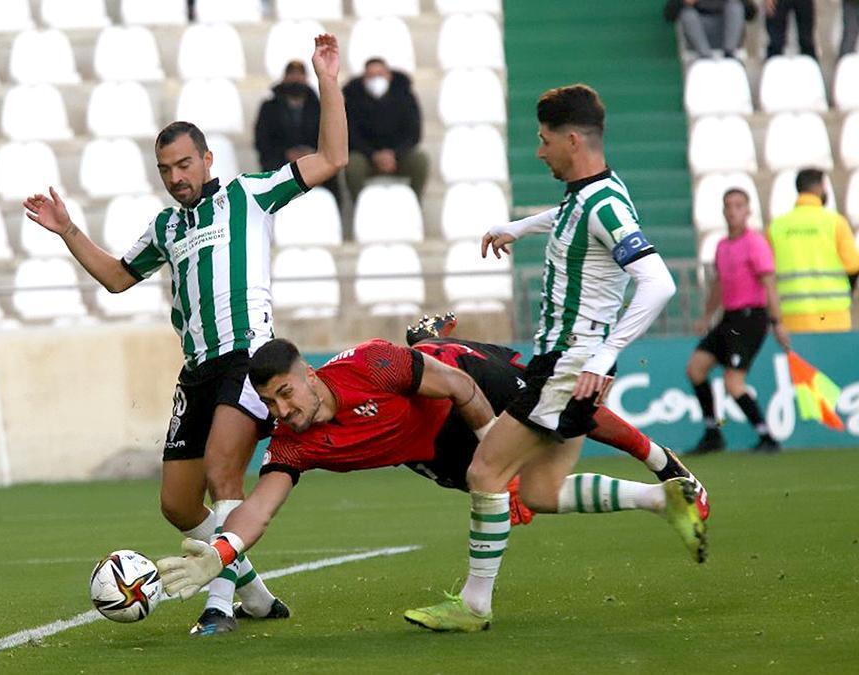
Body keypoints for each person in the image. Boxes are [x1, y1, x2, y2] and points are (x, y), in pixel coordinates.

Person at [22, 34, 348, 637]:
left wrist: (329, 80)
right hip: (196, 369)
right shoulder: (167, 226)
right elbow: (119, 278)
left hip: (247, 359)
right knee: (176, 505)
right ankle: (253, 594)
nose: (176, 177)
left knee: (226, 475)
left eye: (184, 165)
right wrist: (68, 230)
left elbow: (330, 159)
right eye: (166, 170)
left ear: (207, 161)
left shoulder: (250, 195)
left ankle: (217, 607)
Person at [154, 335, 709, 611]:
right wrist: (221, 555)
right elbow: (260, 507)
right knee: (538, 492)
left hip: (469, 383)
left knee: (566, 413)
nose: (280, 412)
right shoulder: (294, 444)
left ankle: (663, 464)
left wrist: (492, 452)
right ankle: (664, 500)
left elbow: (461, 388)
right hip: (433, 447)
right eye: (270, 405)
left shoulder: (370, 364)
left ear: (308, 374)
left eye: (284, 395)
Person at [432, 83, 699, 632]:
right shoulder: (593, 193)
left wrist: (604, 355)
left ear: (571, 139)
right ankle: (661, 499)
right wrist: (519, 227)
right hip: (568, 364)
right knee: (540, 491)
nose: (538, 151)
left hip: (570, 365)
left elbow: (658, 283)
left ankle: (473, 605)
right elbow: (569, 218)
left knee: (484, 470)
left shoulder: (603, 203)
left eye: (544, 140)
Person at [687, 189, 789, 455]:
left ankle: (767, 437)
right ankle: (712, 433)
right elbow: (718, 285)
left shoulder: (755, 243)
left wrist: (777, 322)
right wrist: (707, 317)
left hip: (751, 318)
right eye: (728, 205)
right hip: (728, 318)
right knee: (696, 369)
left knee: (734, 383)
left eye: (738, 205)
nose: (732, 210)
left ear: (748, 211)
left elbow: (769, 283)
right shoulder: (722, 246)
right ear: (723, 210)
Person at [767, 168, 859, 333]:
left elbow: (766, 275)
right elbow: (853, 265)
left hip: (790, 318)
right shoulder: (836, 223)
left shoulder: (776, 227)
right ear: (820, 188)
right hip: (833, 316)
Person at [342, 57, 429, 205]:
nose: (376, 79)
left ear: (389, 76)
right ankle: (360, 206)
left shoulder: (405, 96)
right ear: (364, 79)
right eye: (371, 76)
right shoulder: (352, 99)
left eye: (380, 74)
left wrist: (393, 154)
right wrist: (374, 155)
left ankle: (414, 204)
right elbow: (351, 135)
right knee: (353, 165)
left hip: (398, 157)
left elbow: (414, 133)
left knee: (420, 160)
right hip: (366, 157)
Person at [254, 61, 342, 204]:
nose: (295, 79)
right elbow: (262, 141)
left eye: (299, 75)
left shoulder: (319, 106)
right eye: (291, 75)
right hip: (280, 161)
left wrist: (311, 153)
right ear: (284, 78)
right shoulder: (269, 107)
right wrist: (286, 154)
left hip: (314, 159)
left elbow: (328, 136)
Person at [663, 0, 755, 60]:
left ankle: (729, 54)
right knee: (687, 14)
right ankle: (705, 57)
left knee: (735, 6)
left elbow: (751, 15)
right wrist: (683, 2)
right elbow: (668, 15)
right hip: (700, 39)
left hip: (727, 36)